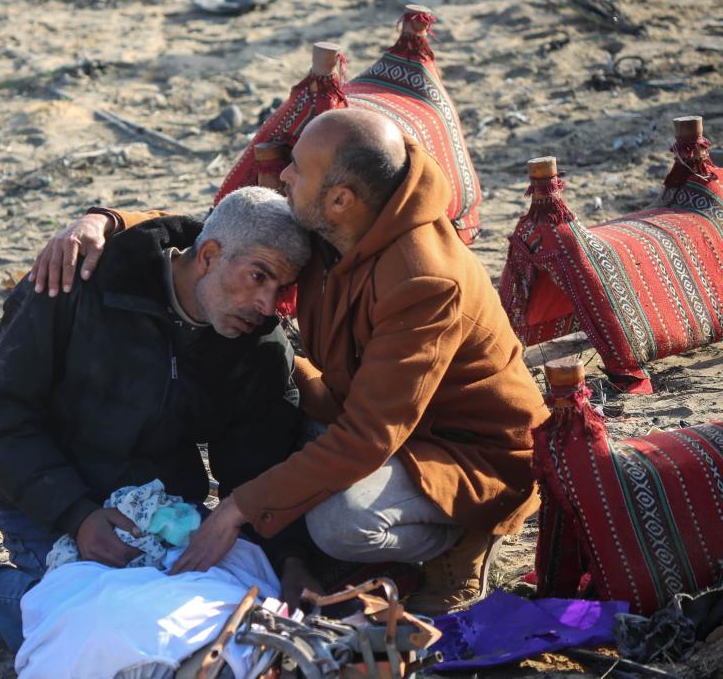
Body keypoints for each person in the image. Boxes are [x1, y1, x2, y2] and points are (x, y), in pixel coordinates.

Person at [30, 108, 549, 614]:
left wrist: (234, 511)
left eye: (297, 169)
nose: (284, 175)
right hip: (366, 411)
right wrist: (106, 220)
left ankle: (458, 541)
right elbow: (221, 230)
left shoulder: (424, 281)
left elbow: (371, 436)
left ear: (341, 198)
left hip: (463, 455)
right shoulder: (338, 222)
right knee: (273, 411)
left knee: (339, 524)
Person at [0, 186, 310, 651]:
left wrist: (292, 561)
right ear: (208, 255)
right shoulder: (77, 281)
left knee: (223, 627)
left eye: (279, 289)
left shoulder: (258, 345)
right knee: (98, 633)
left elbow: (260, 465)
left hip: (165, 514)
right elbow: (0, 421)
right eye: (258, 277)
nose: (267, 304)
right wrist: (77, 515)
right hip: (49, 508)